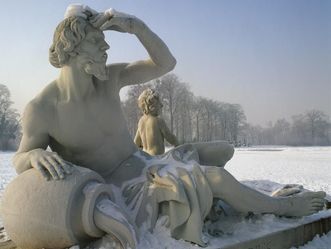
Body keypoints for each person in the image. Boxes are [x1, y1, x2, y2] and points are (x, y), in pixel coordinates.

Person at [13, 4, 326, 247]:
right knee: (215, 177)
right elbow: (20, 159)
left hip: (148, 164)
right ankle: (285, 207)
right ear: (74, 50)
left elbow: (166, 64)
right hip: (124, 189)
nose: (107, 49)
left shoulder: (109, 80)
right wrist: (32, 156)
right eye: (98, 42)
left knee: (221, 151)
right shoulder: (42, 109)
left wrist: (135, 27)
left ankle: (236, 197)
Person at [134, 88, 179, 155]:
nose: (162, 105)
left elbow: (136, 143)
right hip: (157, 159)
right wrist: (178, 144)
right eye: (159, 103)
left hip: (146, 159)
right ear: (152, 106)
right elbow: (170, 138)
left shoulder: (141, 122)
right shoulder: (158, 121)